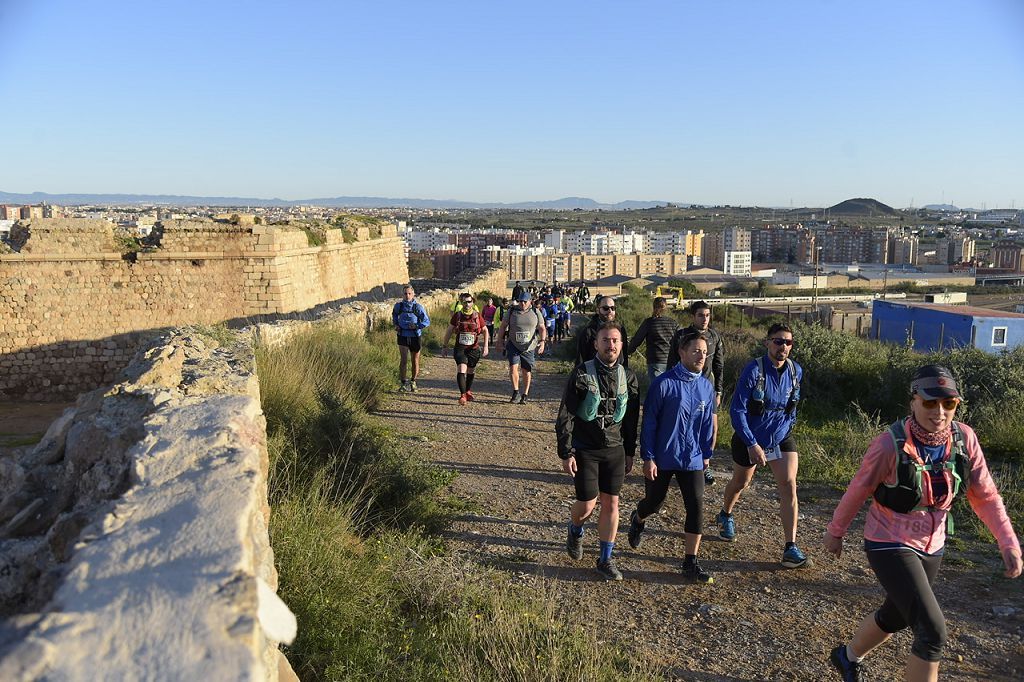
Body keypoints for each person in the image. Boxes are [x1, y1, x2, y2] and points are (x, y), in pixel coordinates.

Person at [823, 364, 1022, 682]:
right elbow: (859, 489)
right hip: (888, 540)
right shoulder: (890, 444)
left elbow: (985, 496)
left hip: (934, 543)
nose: (940, 412)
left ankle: (846, 656)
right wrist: (836, 532)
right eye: (930, 402)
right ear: (912, 401)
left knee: (898, 615)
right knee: (932, 631)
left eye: (949, 404)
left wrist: (1007, 541)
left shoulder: (964, 439)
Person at [627, 330, 716, 583]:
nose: (701, 356)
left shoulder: (705, 386)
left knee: (696, 506)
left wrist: (706, 454)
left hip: (693, 458)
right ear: (682, 352)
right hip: (663, 456)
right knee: (654, 503)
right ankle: (638, 517)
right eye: (696, 351)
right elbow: (650, 423)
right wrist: (648, 457)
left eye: (704, 352)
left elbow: (707, 423)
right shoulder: (664, 383)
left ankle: (690, 561)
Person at [720, 323, 811, 568]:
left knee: (789, 485)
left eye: (788, 342)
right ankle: (726, 514)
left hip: (780, 436)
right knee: (741, 482)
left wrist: (787, 427)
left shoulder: (796, 371)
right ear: (767, 343)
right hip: (749, 436)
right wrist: (752, 444)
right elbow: (737, 410)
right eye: (778, 341)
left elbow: (793, 406)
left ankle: (790, 547)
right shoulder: (753, 370)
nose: (783, 346)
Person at [556, 322, 640, 581]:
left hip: (614, 449)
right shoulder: (581, 373)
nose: (610, 345)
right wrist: (566, 451)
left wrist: (629, 451)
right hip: (586, 449)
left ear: (621, 345)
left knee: (612, 503)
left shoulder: (630, 376)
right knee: (587, 506)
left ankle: (605, 559)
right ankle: (575, 529)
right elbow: (567, 413)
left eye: (615, 340)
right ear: (596, 344)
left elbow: (631, 417)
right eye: (605, 340)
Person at [669, 301, 726, 486]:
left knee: (711, 427)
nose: (705, 319)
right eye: (701, 315)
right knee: (684, 425)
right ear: (693, 316)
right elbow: (671, 362)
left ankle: (705, 464)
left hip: (707, 387)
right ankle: (679, 462)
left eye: (708, 315)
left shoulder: (714, 336)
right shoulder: (681, 335)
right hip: (682, 387)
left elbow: (719, 365)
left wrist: (718, 390)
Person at [495, 291, 546, 404]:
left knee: (526, 371)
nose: (522, 304)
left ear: (530, 301)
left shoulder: (535, 312)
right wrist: (499, 341)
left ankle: (525, 394)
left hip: (529, 347)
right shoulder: (512, 311)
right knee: (513, 368)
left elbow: (542, 328)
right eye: (520, 301)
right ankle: (516, 392)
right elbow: (503, 326)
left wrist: (542, 342)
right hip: (513, 344)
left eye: (525, 301)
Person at [441, 293, 489, 405]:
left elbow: (485, 330)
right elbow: (449, 330)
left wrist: (486, 346)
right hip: (460, 348)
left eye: (469, 301)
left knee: (471, 370)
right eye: (464, 302)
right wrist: (444, 346)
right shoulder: (457, 315)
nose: (467, 304)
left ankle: (467, 390)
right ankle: (462, 395)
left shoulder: (477, 316)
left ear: (472, 302)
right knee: (461, 369)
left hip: (474, 348)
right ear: (461, 303)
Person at [627, 297, 679, 382]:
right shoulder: (673, 323)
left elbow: (637, 340)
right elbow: (679, 341)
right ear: (666, 308)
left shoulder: (649, 322)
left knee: (657, 388)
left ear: (654, 307)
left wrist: (627, 352)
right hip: (671, 360)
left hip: (655, 360)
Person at [392, 285, 430, 392]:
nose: (407, 296)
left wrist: (417, 326)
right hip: (403, 335)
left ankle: (413, 381)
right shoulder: (398, 306)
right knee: (403, 360)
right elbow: (394, 316)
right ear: (402, 295)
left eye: (409, 293)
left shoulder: (418, 307)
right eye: (405, 293)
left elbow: (426, 321)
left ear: (413, 294)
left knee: (415, 360)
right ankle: (403, 383)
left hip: (415, 336)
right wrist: (396, 325)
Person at [575, 296, 629, 368]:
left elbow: (624, 355)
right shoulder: (589, 332)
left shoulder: (620, 330)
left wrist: (624, 373)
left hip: (617, 373)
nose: (610, 311)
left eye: (613, 308)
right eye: (605, 308)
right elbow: (580, 359)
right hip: (594, 374)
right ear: (597, 310)